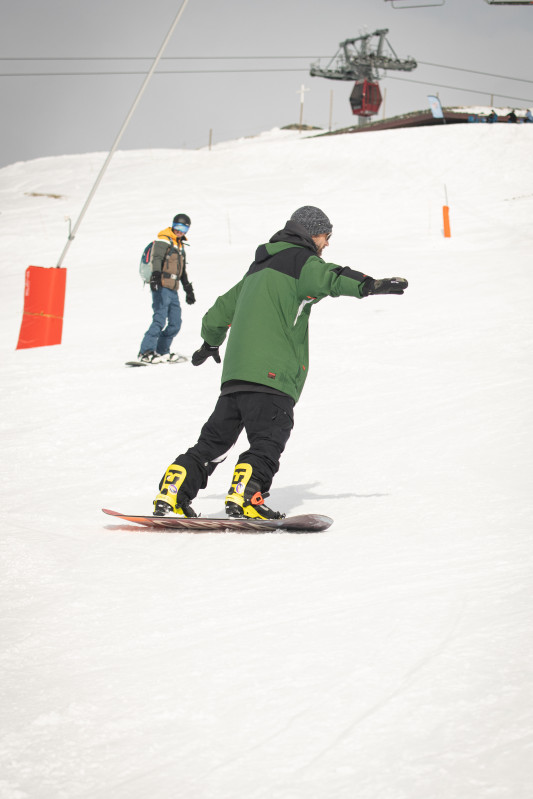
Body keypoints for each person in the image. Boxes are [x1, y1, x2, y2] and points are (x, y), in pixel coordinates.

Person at [152, 206, 409, 518]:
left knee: (213, 443)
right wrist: (370, 284)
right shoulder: (303, 262)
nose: (326, 244)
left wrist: (210, 342)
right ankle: (246, 496)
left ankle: (173, 490)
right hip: (272, 377)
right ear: (312, 232)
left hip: (235, 378)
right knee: (268, 439)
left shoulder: (257, 269)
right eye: (326, 236)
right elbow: (332, 277)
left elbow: (219, 312)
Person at [138, 213, 196, 363]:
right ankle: (145, 352)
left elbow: (181, 270)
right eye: (177, 227)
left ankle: (162, 351)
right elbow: (157, 259)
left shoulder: (180, 245)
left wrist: (188, 290)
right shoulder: (164, 239)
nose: (180, 230)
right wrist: (156, 277)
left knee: (175, 322)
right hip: (161, 286)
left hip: (173, 289)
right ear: (173, 225)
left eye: (184, 228)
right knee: (159, 319)